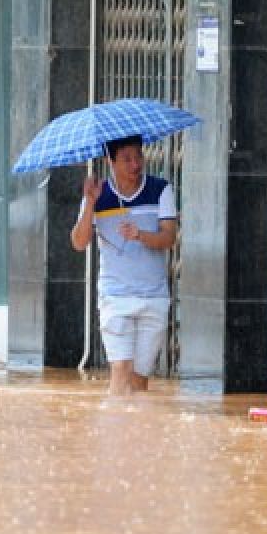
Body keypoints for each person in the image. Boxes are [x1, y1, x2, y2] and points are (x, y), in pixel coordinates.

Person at [71, 135, 179, 396]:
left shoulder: (161, 190)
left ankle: (136, 432)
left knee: (140, 380)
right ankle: (112, 431)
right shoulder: (98, 195)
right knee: (120, 369)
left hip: (153, 297)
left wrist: (140, 235)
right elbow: (78, 242)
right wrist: (90, 205)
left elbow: (169, 238)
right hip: (115, 296)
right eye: (127, 159)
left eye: (138, 157)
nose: (135, 165)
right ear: (111, 161)